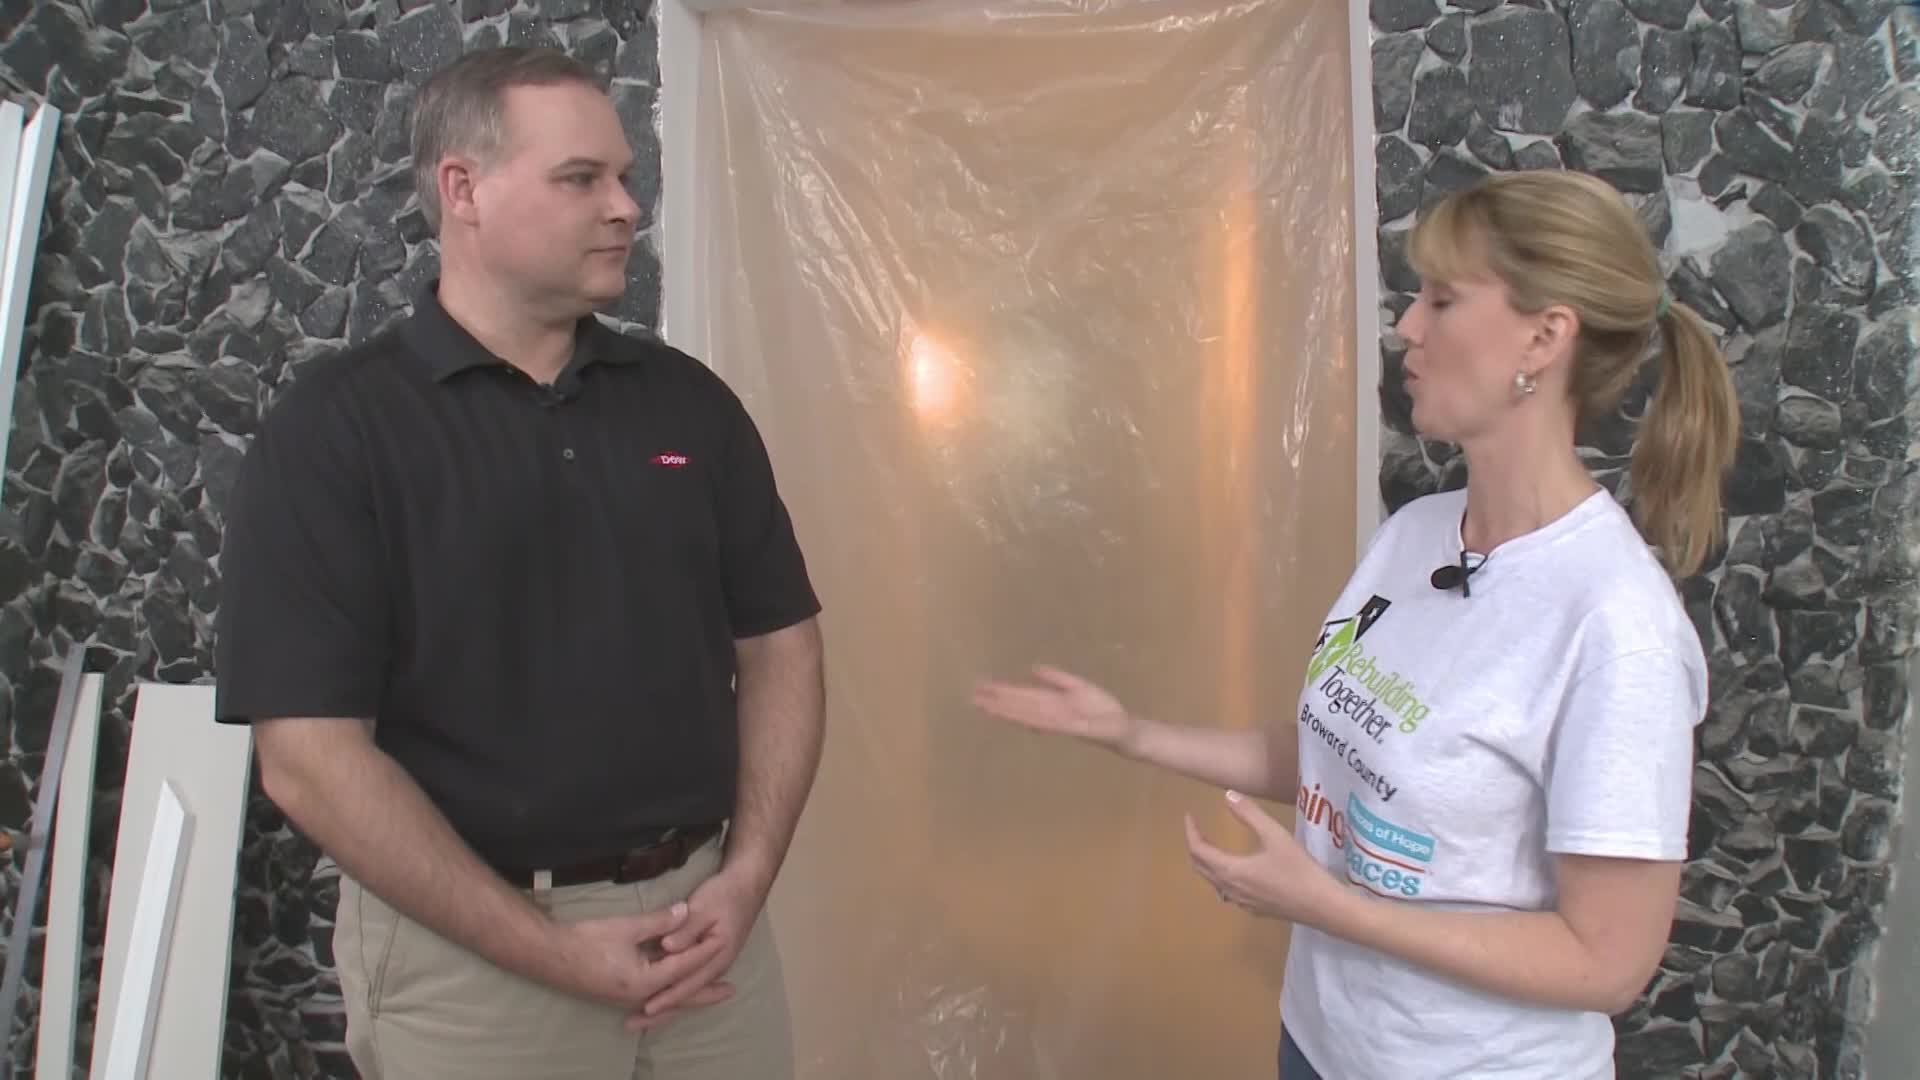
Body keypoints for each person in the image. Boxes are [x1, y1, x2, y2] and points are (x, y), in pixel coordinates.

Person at [974, 169, 1738, 1079]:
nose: (1407, 327)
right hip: (1321, 1043)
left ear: (1545, 336)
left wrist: (1329, 906)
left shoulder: (1617, 626)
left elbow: (1607, 963)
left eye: (1442, 300)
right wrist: (1129, 733)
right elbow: (1347, 760)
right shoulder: (1417, 535)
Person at [214, 46, 826, 1080]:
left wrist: (748, 873)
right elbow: (308, 759)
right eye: (581, 178)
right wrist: (552, 953)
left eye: (624, 176)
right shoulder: (338, 433)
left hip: (707, 938)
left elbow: (782, 649)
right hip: (473, 965)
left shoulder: (690, 407)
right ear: (463, 190)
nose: (627, 206)